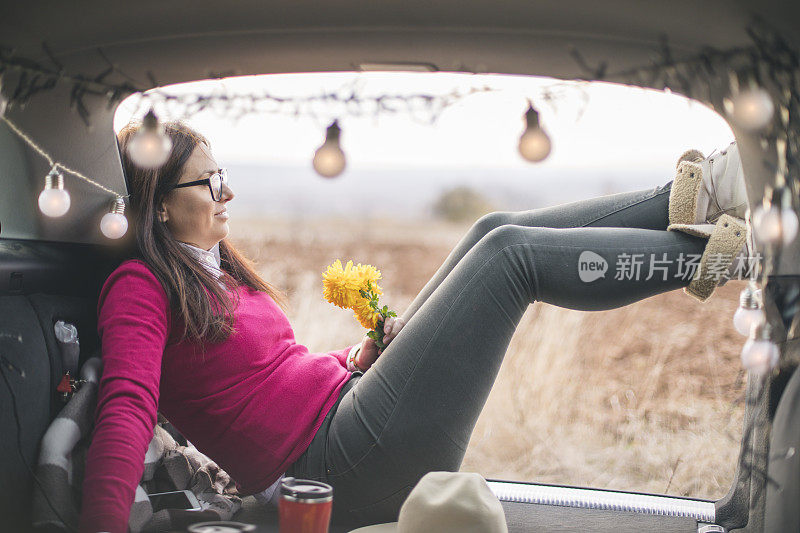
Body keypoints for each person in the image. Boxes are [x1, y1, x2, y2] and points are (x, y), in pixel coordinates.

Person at [79, 121, 751, 532]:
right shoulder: (142, 286)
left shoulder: (214, 267)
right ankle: (729, 253)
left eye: (223, 174)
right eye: (206, 183)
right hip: (333, 465)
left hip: (347, 407)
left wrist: (357, 358)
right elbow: (127, 407)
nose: (227, 192)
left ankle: (697, 195)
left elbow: (273, 377)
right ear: (158, 208)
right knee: (508, 260)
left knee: (490, 230)